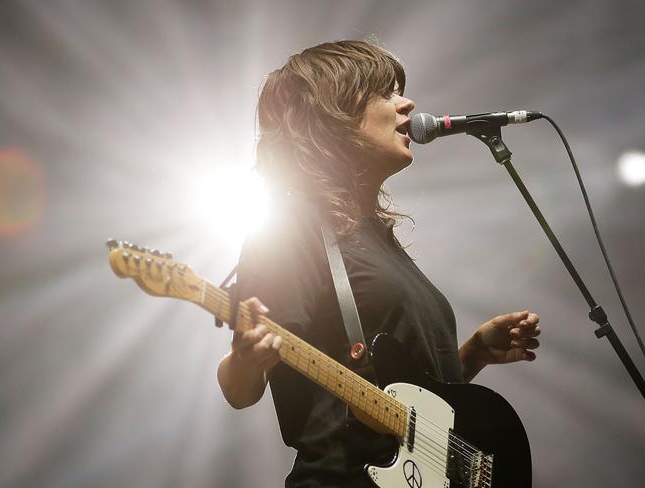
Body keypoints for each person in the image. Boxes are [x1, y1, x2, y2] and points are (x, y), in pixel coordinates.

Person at [216, 40, 541, 487]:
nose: (408, 103)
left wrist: (473, 354)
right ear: (335, 115)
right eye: (385, 93)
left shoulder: (372, 238)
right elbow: (239, 390)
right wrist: (245, 356)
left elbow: (405, 405)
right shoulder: (292, 232)